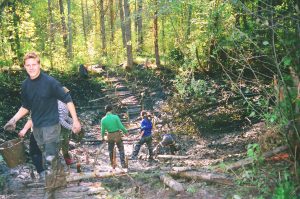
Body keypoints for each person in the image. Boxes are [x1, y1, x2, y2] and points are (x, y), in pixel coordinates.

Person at [3, 52, 81, 191]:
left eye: (34, 64)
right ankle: (61, 180)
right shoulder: (25, 85)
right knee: (50, 156)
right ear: (24, 67)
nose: (31, 67)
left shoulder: (50, 82)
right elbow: (26, 106)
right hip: (37, 127)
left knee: (49, 158)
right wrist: (13, 120)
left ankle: (50, 190)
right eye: (28, 65)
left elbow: (67, 99)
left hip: (51, 125)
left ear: (39, 65)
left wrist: (75, 121)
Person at [101, 105, 128, 169]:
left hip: (109, 135)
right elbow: (121, 126)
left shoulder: (103, 119)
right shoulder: (115, 117)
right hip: (117, 134)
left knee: (110, 150)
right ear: (111, 110)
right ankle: (123, 164)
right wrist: (126, 132)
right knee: (121, 149)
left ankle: (112, 164)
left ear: (106, 111)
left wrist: (102, 137)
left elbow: (102, 130)